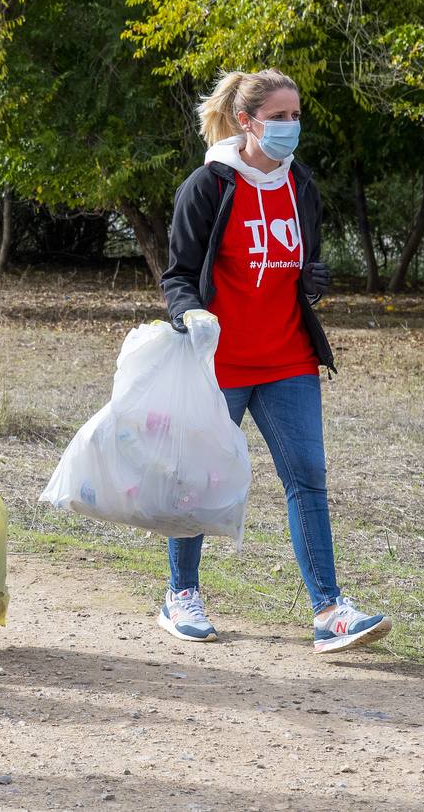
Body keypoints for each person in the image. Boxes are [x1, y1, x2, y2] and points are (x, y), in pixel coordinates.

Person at [159, 68, 392, 654]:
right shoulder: (209, 186)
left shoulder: (300, 185)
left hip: (288, 359)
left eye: (296, 116)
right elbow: (178, 277)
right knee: (201, 480)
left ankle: (330, 611)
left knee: (307, 480)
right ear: (247, 120)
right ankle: (181, 593)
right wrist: (190, 315)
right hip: (222, 364)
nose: (292, 127)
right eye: (280, 117)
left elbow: (299, 262)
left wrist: (313, 279)